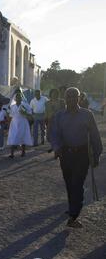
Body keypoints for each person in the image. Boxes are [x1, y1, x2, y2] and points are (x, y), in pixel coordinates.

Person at [52, 87, 103, 228]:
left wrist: (97, 154)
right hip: (66, 154)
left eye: (75, 96)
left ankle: (74, 215)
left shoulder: (87, 114)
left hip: (82, 155)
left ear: (79, 98)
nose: (72, 99)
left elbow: (95, 136)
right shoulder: (59, 116)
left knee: (77, 183)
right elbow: (55, 134)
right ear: (65, 98)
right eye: (69, 96)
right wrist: (57, 148)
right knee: (69, 183)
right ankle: (72, 207)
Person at [7, 90, 33, 158]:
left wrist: (25, 113)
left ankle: (23, 152)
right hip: (14, 123)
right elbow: (10, 115)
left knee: (23, 136)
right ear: (15, 99)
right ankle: (12, 154)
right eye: (17, 97)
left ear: (21, 98)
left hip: (23, 122)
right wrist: (9, 124)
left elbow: (30, 114)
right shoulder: (12, 106)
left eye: (19, 97)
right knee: (13, 137)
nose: (18, 98)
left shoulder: (25, 105)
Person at [45, 89, 66, 153]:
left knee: (58, 135)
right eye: (53, 93)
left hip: (59, 121)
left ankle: (57, 150)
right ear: (50, 94)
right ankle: (53, 146)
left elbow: (64, 111)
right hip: (50, 121)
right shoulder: (47, 103)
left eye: (55, 93)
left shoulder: (61, 102)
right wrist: (46, 120)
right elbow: (46, 112)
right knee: (49, 136)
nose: (54, 95)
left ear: (57, 94)